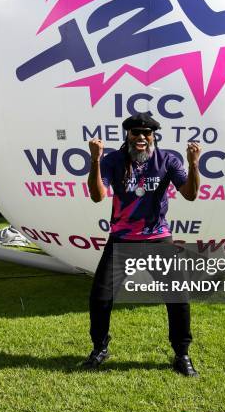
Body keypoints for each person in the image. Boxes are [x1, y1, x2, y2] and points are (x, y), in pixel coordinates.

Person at [82, 112, 201, 376]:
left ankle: (182, 354)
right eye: (135, 133)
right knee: (100, 297)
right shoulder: (113, 160)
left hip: (158, 238)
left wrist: (194, 165)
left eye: (146, 134)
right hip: (122, 240)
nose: (141, 138)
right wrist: (95, 160)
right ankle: (99, 348)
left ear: (153, 136)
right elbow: (96, 196)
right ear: (128, 135)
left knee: (178, 297)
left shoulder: (168, 159)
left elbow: (191, 195)